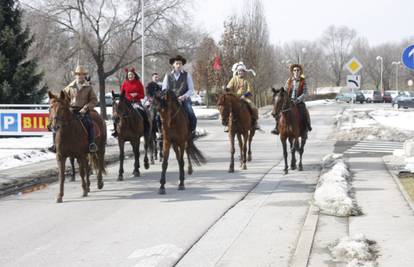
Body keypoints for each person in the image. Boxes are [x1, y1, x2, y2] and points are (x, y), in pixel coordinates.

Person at [48, 65, 98, 153]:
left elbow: (94, 100)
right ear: (75, 75)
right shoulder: (70, 87)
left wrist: (86, 108)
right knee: (57, 123)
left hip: (83, 110)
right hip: (71, 110)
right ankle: (55, 145)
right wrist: (54, 98)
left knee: (89, 124)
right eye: (78, 74)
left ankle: (91, 144)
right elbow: (61, 96)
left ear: (84, 76)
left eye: (82, 74)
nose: (80, 76)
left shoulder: (88, 87)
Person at [161, 55, 197, 139]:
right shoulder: (168, 75)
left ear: (182, 65)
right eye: (177, 63)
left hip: (184, 99)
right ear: (173, 65)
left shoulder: (187, 75)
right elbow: (164, 88)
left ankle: (192, 131)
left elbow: (191, 89)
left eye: (180, 64)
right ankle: (161, 131)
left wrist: (184, 96)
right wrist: (169, 97)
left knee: (190, 112)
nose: (178, 65)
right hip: (170, 100)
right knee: (160, 114)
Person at [271, 64, 312, 135]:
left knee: (304, 111)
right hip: (289, 102)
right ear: (293, 72)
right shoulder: (289, 80)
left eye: (298, 70)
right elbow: (285, 90)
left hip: (299, 102)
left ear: (300, 72)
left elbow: (305, 93)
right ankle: (277, 128)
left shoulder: (303, 81)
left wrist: (297, 100)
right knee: (280, 112)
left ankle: (306, 127)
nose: (296, 72)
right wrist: (279, 93)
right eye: (294, 70)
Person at [112, 67, 149, 137]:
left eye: (132, 75)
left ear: (134, 75)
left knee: (144, 112)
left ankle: (146, 129)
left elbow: (143, 95)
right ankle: (116, 130)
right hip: (126, 103)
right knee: (116, 114)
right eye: (129, 75)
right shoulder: (124, 84)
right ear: (127, 76)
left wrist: (137, 94)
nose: (130, 76)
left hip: (136, 102)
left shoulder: (138, 83)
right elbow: (122, 95)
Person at [224, 61, 260, 132]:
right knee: (227, 108)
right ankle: (228, 124)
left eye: (242, 71)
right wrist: (226, 88)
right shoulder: (234, 79)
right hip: (235, 98)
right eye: (239, 71)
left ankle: (255, 122)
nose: (240, 72)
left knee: (253, 107)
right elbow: (229, 86)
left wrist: (245, 95)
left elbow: (249, 90)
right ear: (237, 72)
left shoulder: (247, 80)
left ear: (244, 72)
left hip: (244, 98)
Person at [146, 73, 162, 138]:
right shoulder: (149, 85)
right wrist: (150, 99)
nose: (156, 78)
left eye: (157, 77)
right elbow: (147, 94)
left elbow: (160, 94)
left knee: (159, 115)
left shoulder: (158, 86)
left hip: (157, 103)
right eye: (155, 77)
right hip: (150, 102)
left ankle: (160, 130)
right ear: (152, 78)